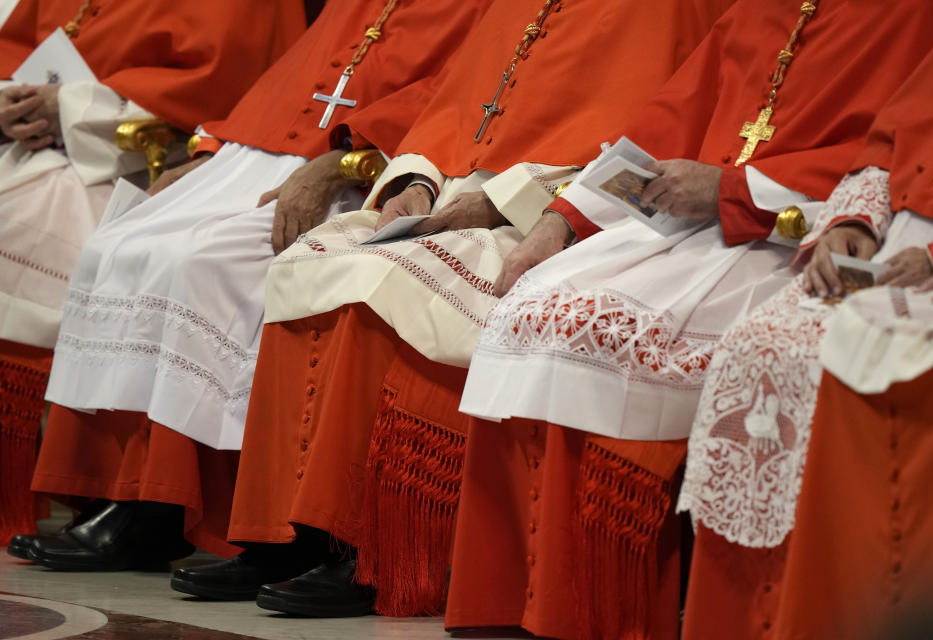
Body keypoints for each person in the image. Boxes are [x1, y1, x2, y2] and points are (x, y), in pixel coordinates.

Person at [325, 1, 933, 637]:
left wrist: (733, 189)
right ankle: (513, 598)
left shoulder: (918, 15)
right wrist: (559, 222)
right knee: (536, 298)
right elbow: (665, 122)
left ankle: (603, 604)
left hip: (776, 229)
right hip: (688, 223)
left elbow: (882, 154)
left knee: (605, 329)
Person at [222, 0, 733, 623]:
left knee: (376, 282)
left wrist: (500, 203)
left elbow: (640, 146)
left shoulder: (665, 13)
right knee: (311, 259)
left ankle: (357, 544)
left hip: (536, 215)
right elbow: (451, 116)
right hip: (450, 198)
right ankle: (279, 535)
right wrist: (418, 182)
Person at [19, 0, 492, 580]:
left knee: (199, 264)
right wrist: (212, 151)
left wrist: (342, 160)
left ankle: (168, 506)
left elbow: (450, 98)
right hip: (258, 157)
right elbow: (294, 80)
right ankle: (121, 491)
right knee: (116, 245)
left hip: (347, 165)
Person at [677, 20, 933, 638]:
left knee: (868, 363)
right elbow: (887, 148)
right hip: (890, 249)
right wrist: (850, 222)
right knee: (760, 346)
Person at [0, 0, 305, 546]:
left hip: (134, 156)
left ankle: (142, 494)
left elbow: (226, 84)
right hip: (39, 147)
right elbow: (17, 47)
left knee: (129, 249)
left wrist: (71, 106)